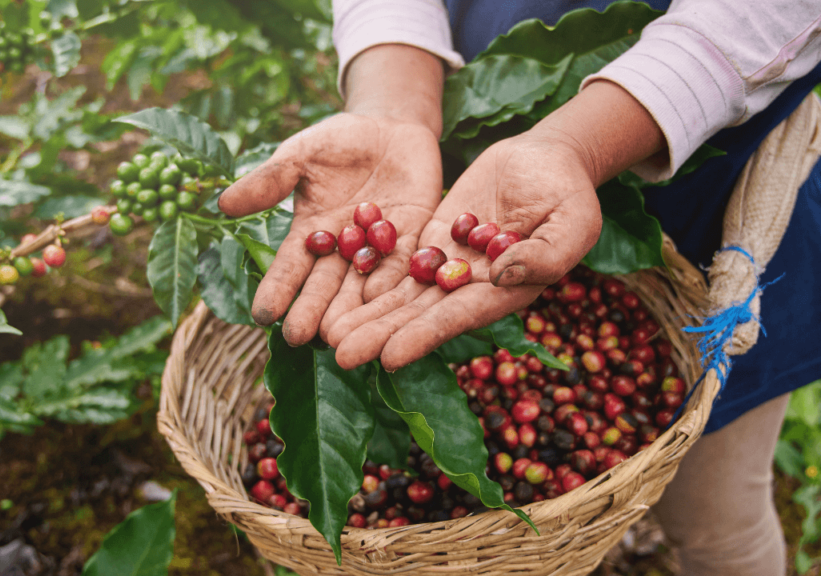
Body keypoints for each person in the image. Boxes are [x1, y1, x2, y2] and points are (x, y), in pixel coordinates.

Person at [218, 0, 821, 574]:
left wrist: (580, 144)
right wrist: (394, 102)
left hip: (712, 189)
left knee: (720, 517)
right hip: (465, 176)